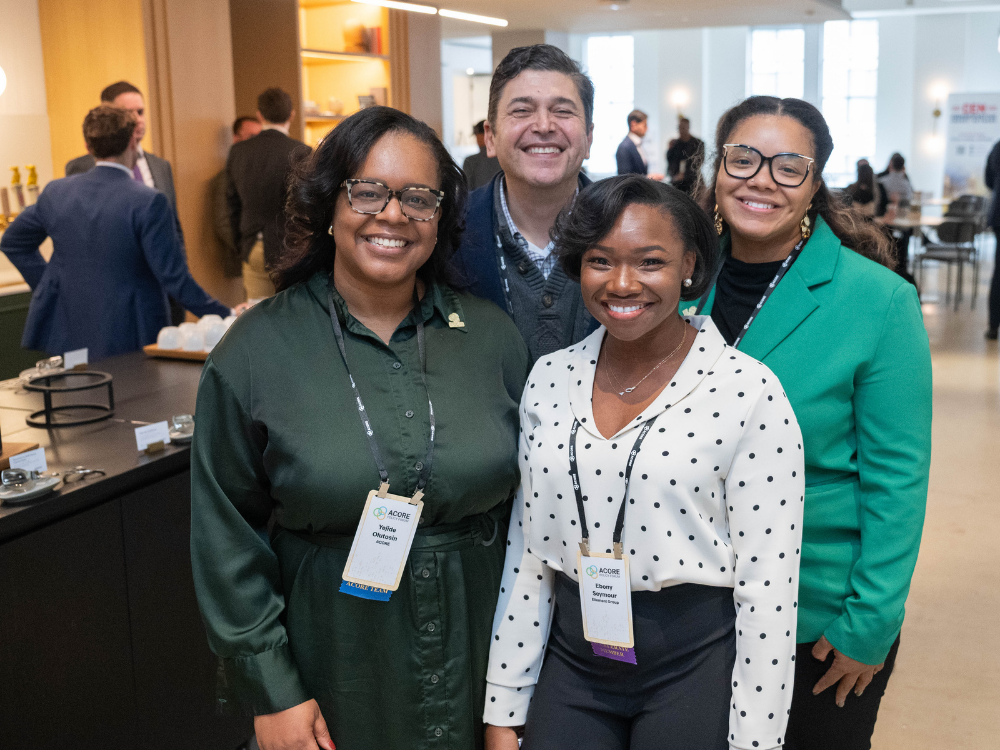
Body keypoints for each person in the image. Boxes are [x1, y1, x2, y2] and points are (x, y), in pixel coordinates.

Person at [191, 106, 529, 750]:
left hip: (485, 665)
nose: (393, 214)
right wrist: (274, 693)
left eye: (419, 197)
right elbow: (225, 538)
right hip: (336, 664)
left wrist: (519, 690)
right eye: (368, 191)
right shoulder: (256, 351)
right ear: (328, 205)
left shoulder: (492, 338)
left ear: (441, 216)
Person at [484, 176, 805, 750]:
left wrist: (756, 741)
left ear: (690, 265)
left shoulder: (747, 390)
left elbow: (769, 587)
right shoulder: (550, 377)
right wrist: (504, 707)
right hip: (574, 654)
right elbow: (529, 550)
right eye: (600, 260)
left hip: (691, 660)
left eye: (650, 261)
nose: (622, 283)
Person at [695, 96, 932, 749]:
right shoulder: (675, 277)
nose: (761, 179)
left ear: (815, 182)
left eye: (788, 166)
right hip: (687, 613)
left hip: (816, 615)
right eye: (743, 158)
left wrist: (870, 622)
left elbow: (898, 480)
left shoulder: (879, 300)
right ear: (719, 168)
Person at [0, 106, 230, 360]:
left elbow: (13, 242)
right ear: (133, 140)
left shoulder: (57, 193)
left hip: (69, 329)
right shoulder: (148, 201)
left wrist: (50, 285)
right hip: (130, 333)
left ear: (88, 146)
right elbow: (173, 277)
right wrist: (225, 316)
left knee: (76, 395)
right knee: (132, 398)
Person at [451, 44, 598, 364]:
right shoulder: (447, 234)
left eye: (562, 111)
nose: (544, 126)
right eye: (521, 110)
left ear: (588, 137)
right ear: (490, 138)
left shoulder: (628, 229)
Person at [66, 80, 188, 325]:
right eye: (128, 113)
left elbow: (173, 226)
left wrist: (180, 273)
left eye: (141, 112)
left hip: (163, 286)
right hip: (112, 293)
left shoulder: (160, 166)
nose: (138, 119)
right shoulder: (81, 167)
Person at [226, 87, 310, 299]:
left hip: (253, 244)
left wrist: (241, 244)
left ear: (259, 115)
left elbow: (231, 204)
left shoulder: (239, 151)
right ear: (291, 115)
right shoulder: (302, 152)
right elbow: (309, 207)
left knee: (257, 316)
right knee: (292, 315)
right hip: (291, 249)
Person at [210, 116, 262, 280]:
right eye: (251, 137)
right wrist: (248, 249)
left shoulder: (263, 173)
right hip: (243, 262)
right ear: (236, 139)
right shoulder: (225, 177)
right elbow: (223, 222)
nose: (256, 143)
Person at [615, 109, 665, 180]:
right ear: (633, 124)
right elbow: (625, 178)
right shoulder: (624, 147)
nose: (647, 129)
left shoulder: (636, 145)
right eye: (644, 125)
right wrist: (649, 178)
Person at [984, 138, 1000, 339]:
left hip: (998, 215)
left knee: (999, 272)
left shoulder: (997, 147)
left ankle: (993, 325)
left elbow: (988, 181)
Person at [666, 117, 705, 195]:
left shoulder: (697, 143)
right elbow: (670, 161)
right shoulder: (675, 144)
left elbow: (698, 162)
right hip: (677, 183)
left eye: (683, 127)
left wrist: (685, 175)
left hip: (692, 182)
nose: (681, 130)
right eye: (679, 128)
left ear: (688, 127)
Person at [463, 120, 502, 190]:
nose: (476, 140)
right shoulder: (504, 158)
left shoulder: (470, 161)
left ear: (484, 135)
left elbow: (466, 192)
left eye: (476, 136)